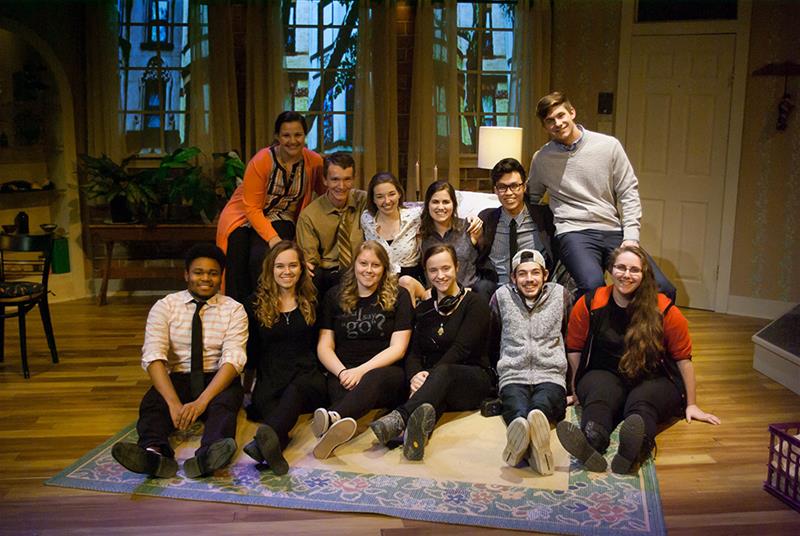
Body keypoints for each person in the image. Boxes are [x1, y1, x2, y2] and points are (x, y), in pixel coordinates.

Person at [556, 245, 720, 474]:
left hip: (653, 379)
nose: (626, 274)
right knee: (599, 400)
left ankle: (632, 451)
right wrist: (575, 387)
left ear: (645, 275)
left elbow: (684, 359)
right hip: (605, 373)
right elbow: (574, 348)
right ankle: (591, 441)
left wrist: (691, 404)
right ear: (610, 270)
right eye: (621, 267)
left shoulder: (665, 310)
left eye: (634, 270)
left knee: (642, 406)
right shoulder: (590, 303)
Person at [111, 244, 247, 479]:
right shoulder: (165, 307)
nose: (205, 278)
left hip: (215, 378)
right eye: (198, 272)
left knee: (224, 408)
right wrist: (174, 403)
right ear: (186, 274)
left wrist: (201, 402)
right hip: (177, 376)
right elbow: (153, 355)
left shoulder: (234, 310)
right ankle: (154, 453)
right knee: (153, 406)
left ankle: (208, 456)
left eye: (213, 273)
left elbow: (233, 360)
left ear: (220, 277)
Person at [528, 92, 675, 301]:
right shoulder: (542, 159)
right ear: (545, 127)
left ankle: (638, 333)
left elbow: (628, 191)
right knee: (592, 286)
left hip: (611, 229)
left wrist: (631, 237)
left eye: (561, 116)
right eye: (550, 121)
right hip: (573, 232)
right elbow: (532, 198)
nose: (558, 123)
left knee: (662, 289)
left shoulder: (608, 146)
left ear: (572, 112)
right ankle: (595, 334)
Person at [369, 244, 493, 460]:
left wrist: (429, 377)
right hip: (435, 381)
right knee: (428, 403)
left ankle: (399, 418)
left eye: (446, 268)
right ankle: (414, 435)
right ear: (425, 273)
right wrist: (416, 376)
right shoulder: (424, 309)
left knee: (443, 373)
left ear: (457, 267)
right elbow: (414, 352)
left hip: (472, 379)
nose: (440, 275)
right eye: (433, 270)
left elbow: (461, 349)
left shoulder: (476, 303)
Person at [312, 240, 414, 459]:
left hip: (384, 372)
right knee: (341, 392)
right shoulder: (334, 296)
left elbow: (398, 348)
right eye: (363, 263)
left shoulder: (399, 296)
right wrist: (342, 372)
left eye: (375, 265)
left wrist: (361, 371)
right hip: (344, 371)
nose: (368, 270)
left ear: (384, 268)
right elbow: (324, 346)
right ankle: (335, 427)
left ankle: (333, 417)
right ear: (354, 265)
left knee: (371, 381)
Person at [216, 111, 324, 302]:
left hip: (282, 215)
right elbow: (251, 209)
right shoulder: (262, 160)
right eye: (286, 135)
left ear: (305, 136)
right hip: (244, 214)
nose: (292, 141)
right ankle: (237, 314)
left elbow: (326, 191)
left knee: (262, 256)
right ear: (277, 137)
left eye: (298, 135)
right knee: (237, 252)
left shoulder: (314, 162)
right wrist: (273, 239)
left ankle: (265, 310)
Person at [241, 241, 326, 475]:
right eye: (280, 266)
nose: (286, 272)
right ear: (270, 269)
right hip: (271, 377)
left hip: (307, 376)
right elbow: (252, 351)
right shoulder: (254, 303)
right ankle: (271, 449)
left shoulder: (314, 299)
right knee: (272, 414)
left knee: (295, 393)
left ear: (302, 269)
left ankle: (262, 446)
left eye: (292, 265)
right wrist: (247, 389)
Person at [490, 249, 569, 475]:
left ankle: (529, 437)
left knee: (541, 406)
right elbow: (493, 337)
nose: (529, 279)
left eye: (535, 273)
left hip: (551, 372)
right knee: (515, 406)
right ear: (513, 278)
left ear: (545, 275)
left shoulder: (561, 295)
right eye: (522, 274)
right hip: (514, 372)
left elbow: (569, 333)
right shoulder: (501, 297)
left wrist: (571, 383)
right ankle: (531, 441)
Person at [476, 158, 557, 294]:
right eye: (502, 187)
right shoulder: (486, 219)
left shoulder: (544, 216)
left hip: (534, 288)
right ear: (495, 190)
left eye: (514, 186)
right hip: (497, 289)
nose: (508, 193)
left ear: (524, 187)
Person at [296, 152, 367, 297]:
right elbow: (310, 261)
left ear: (353, 179)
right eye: (335, 179)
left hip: (364, 269)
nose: (341, 186)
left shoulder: (364, 201)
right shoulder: (309, 215)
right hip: (329, 273)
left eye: (347, 179)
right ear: (324, 180)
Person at [418, 180, 494, 302]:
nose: (440, 207)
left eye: (446, 202)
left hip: (469, 295)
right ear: (428, 205)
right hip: (435, 298)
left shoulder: (469, 227)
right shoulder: (420, 233)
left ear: (453, 204)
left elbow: (485, 257)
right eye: (435, 202)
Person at [361, 172, 424, 285]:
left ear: (399, 194)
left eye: (391, 194)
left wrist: (466, 224)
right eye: (380, 196)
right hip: (377, 282)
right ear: (373, 199)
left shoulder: (415, 216)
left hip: (410, 282)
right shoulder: (367, 219)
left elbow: (441, 212)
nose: (387, 201)